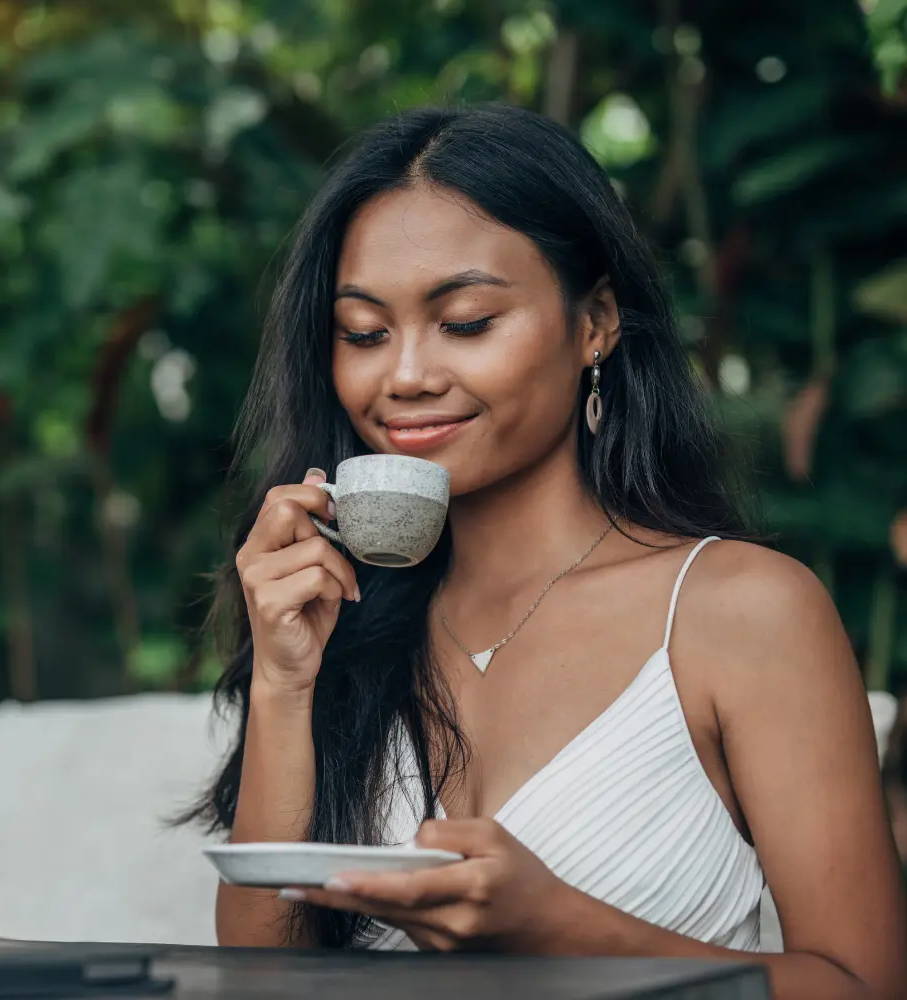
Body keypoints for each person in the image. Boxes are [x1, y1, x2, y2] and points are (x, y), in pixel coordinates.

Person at [186, 104, 906, 998]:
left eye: (467, 321)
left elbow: (863, 985)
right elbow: (258, 985)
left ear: (595, 320)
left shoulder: (740, 610)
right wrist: (286, 686)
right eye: (364, 333)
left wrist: (560, 926)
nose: (404, 375)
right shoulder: (345, 623)